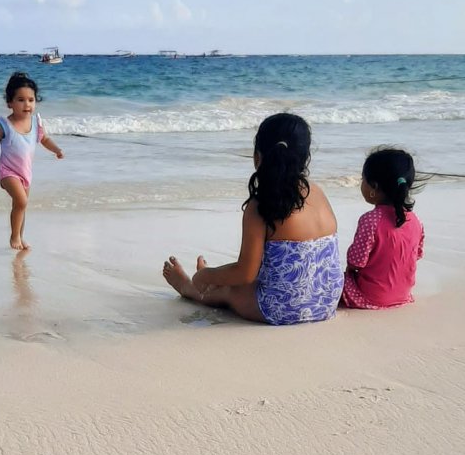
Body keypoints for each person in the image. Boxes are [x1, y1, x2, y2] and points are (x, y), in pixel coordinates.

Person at [163, 113, 344, 324]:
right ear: (306, 157)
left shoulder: (261, 206)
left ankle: (189, 286)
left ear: (258, 157)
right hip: (326, 301)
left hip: (283, 309)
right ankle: (212, 277)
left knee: (230, 290)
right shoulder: (317, 192)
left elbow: (245, 273)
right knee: (257, 276)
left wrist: (204, 276)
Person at [0, 72, 64, 250]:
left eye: (31, 99)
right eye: (21, 100)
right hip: (8, 172)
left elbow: (44, 139)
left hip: (25, 173)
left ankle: (20, 238)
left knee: (21, 207)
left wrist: (57, 150)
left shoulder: (36, 123)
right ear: (10, 103)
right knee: (22, 201)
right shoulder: (4, 124)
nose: (27, 104)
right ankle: (14, 237)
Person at [341, 147, 424, 310]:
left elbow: (356, 262)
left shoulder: (370, 220)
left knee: (331, 276)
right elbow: (417, 255)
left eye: (362, 180)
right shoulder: (416, 220)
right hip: (403, 295)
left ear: (373, 187)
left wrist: (348, 271)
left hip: (370, 297)